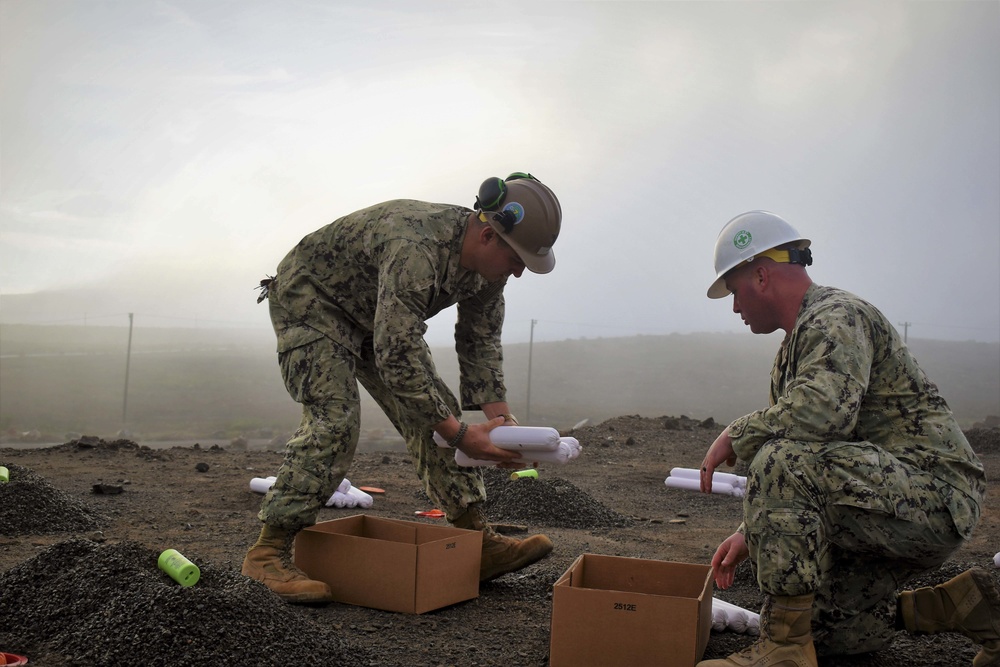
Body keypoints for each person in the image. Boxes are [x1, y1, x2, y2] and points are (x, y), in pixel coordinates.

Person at [695, 211, 998, 667]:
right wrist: (747, 531)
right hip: (885, 496)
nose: (735, 307)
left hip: (935, 495)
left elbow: (822, 417)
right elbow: (817, 456)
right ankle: (963, 606)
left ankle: (784, 650)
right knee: (830, 629)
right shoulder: (796, 347)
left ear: (761, 275)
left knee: (777, 458)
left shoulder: (836, 317)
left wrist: (738, 435)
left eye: (734, 291)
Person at [243, 172, 561, 603]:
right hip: (312, 303)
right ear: (488, 235)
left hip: (374, 314)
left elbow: (479, 341)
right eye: (517, 260)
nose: (519, 272)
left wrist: (502, 425)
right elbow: (397, 355)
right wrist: (463, 436)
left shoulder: (490, 270)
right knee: (335, 420)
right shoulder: (416, 247)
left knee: (435, 409)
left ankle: (479, 543)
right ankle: (267, 554)